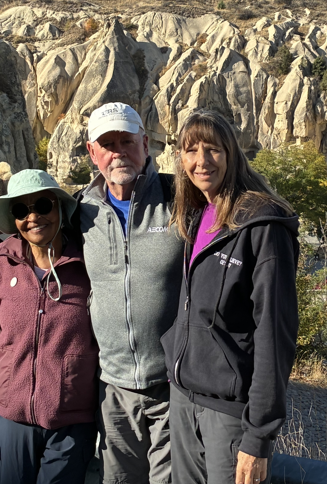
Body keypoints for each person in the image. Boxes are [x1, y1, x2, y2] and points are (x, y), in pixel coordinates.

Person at [162, 109, 299, 484]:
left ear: (232, 154)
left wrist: (258, 437)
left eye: (214, 149)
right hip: (183, 400)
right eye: (191, 150)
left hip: (229, 415)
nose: (201, 161)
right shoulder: (197, 213)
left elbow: (275, 334)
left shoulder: (262, 225)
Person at [78, 102, 184, 484]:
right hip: (112, 388)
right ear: (92, 152)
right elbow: (33, 242)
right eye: (107, 143)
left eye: (127, 140)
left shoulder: (181, 199)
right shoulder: (80, 211)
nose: (118, 151)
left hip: (173, 388)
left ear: (145, 143)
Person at [0, 169, 99, 484]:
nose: (33, 216)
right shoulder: (0, 260)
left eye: (43, 205)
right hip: (13, 414)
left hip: (71, 416)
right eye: (21, 209)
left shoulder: (88, 262)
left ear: (60, 208)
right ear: (13, 219)